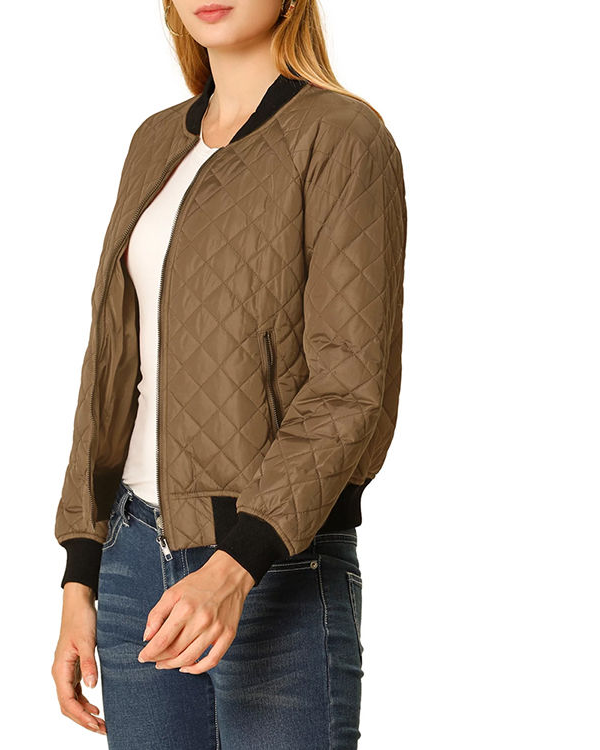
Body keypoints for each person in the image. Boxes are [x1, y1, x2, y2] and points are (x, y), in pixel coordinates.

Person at [51, 1, 407, 747]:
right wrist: (81, 572)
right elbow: (112, 363)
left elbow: (350, 386)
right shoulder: (156, 141)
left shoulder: (341, 136)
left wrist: (236, 566)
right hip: (131, 562)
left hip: (274, 563)